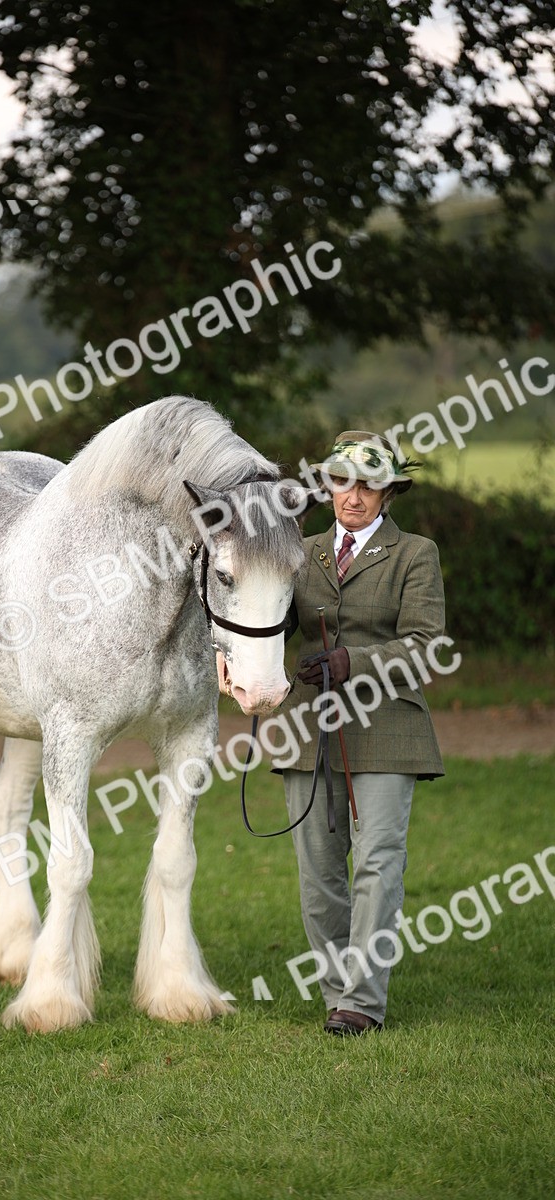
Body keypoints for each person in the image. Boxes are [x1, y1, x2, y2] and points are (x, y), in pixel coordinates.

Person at [275, 430, 445, 1035]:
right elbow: (267, 621)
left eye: (369, 486)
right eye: (343, 482)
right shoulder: (300, 552)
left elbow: (426, 645)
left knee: (377, 863)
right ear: (328, 487)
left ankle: (362, 1003)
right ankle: (336, 995)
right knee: (319, 873)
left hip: (389, 725)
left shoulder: (415, 554)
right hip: (309, 728)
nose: (354, 496)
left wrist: (354, 662)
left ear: (388, 493)